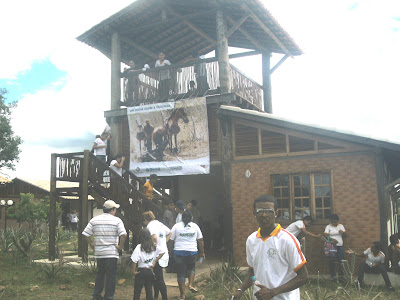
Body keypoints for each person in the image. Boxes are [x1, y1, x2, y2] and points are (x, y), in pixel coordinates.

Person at [232, 194, 308, 300]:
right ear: (254, 213)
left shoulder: (287, 239)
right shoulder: (251, 240)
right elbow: (252, 272)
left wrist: (273, 292)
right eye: (259, 211)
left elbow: (303, 277)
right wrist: (240, 290)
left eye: (269, 211)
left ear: (276, 213)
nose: (264, 215)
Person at [82, 200, 127, 300]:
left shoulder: (94, 220)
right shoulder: (117, 220)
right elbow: (123, 235)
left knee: (100, 274)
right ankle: (109, 297)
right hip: (111, 253)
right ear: (112, 210)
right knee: (111, 276)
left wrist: (92, 245)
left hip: (99, 253)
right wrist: (120, 247)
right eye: (115, 209)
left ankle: (96, 295)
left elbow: (85, 234)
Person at [170, 210, 205, 299]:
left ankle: (182, 295)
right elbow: (200, 240)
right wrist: (202, 252)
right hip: (192, 252)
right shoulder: (195, 226)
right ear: (191, 218)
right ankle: (190, 284)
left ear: (182, 218)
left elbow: (170, 240)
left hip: (179, 252)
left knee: (181, 274)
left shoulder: (176, 226)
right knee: (191, 268)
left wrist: (170, 251)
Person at [143, 211, 171, 300]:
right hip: (164, 253)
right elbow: (170, 232)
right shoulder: (159, 223)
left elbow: (154, 237)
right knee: (157, 276)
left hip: (157, 255)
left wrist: (154, 248)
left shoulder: (150, 226)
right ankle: (156, 296)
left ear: (146, 219)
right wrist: (164, 242)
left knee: (159, 278)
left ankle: (164, 297)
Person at [131, 228, 165, 300]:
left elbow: (134, 260)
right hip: (149, 271)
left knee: (137, 291)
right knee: (149, 290)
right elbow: (162, 252)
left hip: (141, 271)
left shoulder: (139, 247)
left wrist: (133, 271)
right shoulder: (153, 246)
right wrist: (155, 261)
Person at [323, 214, 346, 279]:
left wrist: (343, 233)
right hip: (330, 246)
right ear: (330, 221)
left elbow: (345, 235)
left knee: (341, 261)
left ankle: (341, 276)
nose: (334, 223)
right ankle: (333, 276)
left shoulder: (341, 226)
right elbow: (325, 235)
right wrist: (332, 239)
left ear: (337, 220)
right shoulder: (328, 226)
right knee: (331, 261)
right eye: (332, 221)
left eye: (335, 221)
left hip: (339, 246)